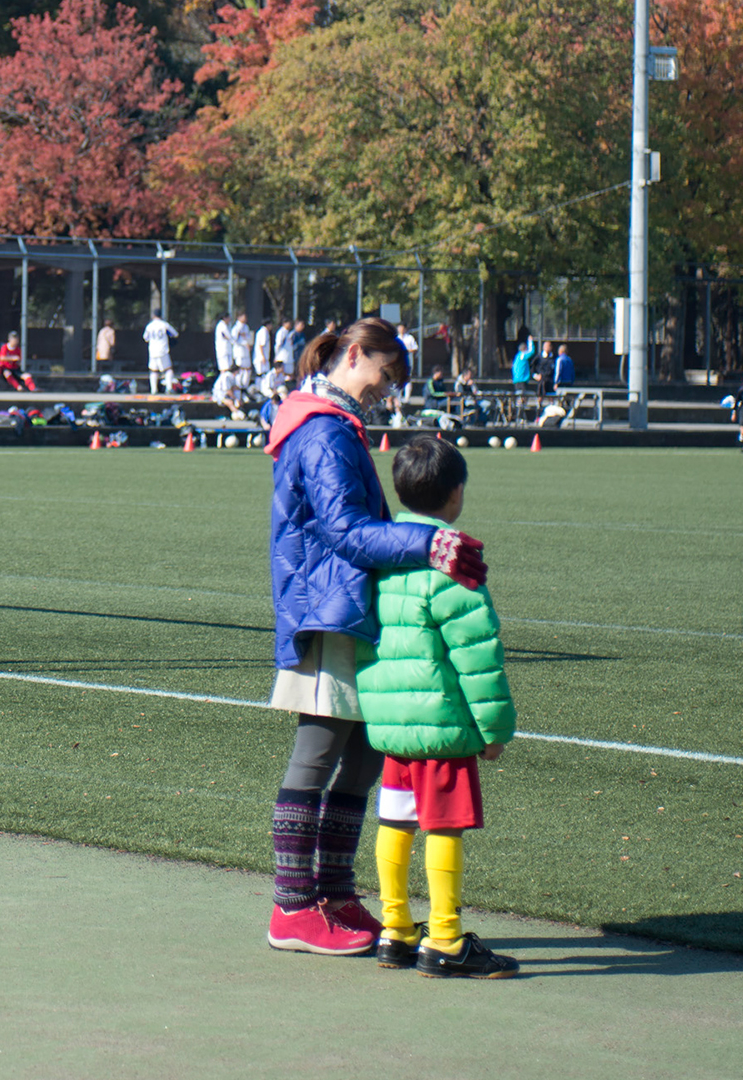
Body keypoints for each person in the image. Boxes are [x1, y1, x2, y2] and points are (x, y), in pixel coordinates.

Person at [263, 317, 488, 957]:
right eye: (385, 377)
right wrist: (429, 540)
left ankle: (332, 891)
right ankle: (292, 906)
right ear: (355, 355)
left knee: (362, 756)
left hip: (345, 603)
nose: (385, 393)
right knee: (320, 749)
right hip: (328, 605)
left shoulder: (332, 425)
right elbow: (343, 530)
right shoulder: (322, 429)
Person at [357, 435, 518, 978]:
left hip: (390, 719)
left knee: (396, 820)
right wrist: (494, 729)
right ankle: (446, 936)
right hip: (441, 723)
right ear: (456, 494)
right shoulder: (455, 562)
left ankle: (396, 929)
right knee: (443, 825)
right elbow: (478, 656)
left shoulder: (382, 551)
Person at [143, 309, 178, 394]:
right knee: (168, 369)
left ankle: (153, 389)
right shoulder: (164, 325)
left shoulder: (149, 326)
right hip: (163, 350)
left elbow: (145, 338)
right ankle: (169, 388)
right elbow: (175, 334)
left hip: (152, 351)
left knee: (153, 370)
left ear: (153, 315)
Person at [512, 335, 535, 418]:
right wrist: (530, 342)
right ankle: (519, 415)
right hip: (521, 380)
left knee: (521, 397)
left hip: (517, 380)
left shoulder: (517, 357)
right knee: (522, 398)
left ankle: (518, 414)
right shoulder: (523, 355)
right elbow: (532, 351)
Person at [231, 312, 252, 390]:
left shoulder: (246, 327)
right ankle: (238, 384)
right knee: (240, 369)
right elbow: (233, 340)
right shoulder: (236, 327)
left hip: (246, 351)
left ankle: (245, 385)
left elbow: (249, 337)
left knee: (247, 368)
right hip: (239, 351)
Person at [533, 340, 555, 409]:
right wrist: (535, 375)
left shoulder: (553, 357)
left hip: (550, 380)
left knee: (551, 396)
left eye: (549, 346)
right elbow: (532, 366)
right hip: (542, 380)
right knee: (540, 395)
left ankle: (551, 408)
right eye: (546, 346)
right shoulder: (539, 357)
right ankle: (538, 408)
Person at [253, 317, 272, 394]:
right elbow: (261, 345)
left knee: (262, 374)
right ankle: (260, 389)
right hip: (261, 358)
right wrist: (262, 356)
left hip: (261, 357)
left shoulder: (261, 331)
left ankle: (260, 389)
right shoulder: (264, 332)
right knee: (262, 374)